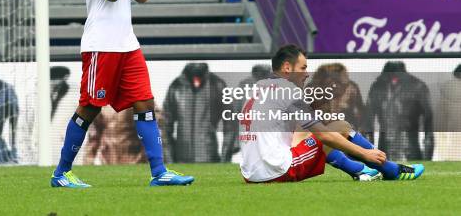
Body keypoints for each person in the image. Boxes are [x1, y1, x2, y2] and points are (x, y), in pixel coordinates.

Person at [50, 0, 194, 188]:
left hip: (127, 44)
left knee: (145, 104)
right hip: (101, 45)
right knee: (90, 108)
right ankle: (61, 173)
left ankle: (160, 172)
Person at [240, 44, 424, 183]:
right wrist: (365, 154)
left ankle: (359, 171)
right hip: (276, 172)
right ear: (287, 68)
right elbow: (324, 135)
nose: (307, 73)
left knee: (308, 131)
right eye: (303, 68)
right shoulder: (287, 90)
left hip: (251, 174)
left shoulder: (259, 87)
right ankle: (391, 170)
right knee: (340, 127)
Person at [163, 63, 235, 163]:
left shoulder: (217, 84)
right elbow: (165, 126)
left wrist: (225, 160)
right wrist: (169, 160)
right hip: (181, 159)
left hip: (209, 158)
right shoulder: (176, 86)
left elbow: (230, 125)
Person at [365, 61, 434, 161]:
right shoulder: (418, 85)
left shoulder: (377, 86)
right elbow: (428, 123)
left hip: (388, 150)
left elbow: (368, 124)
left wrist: (369, 154)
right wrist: (427, 158)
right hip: (407, 151)